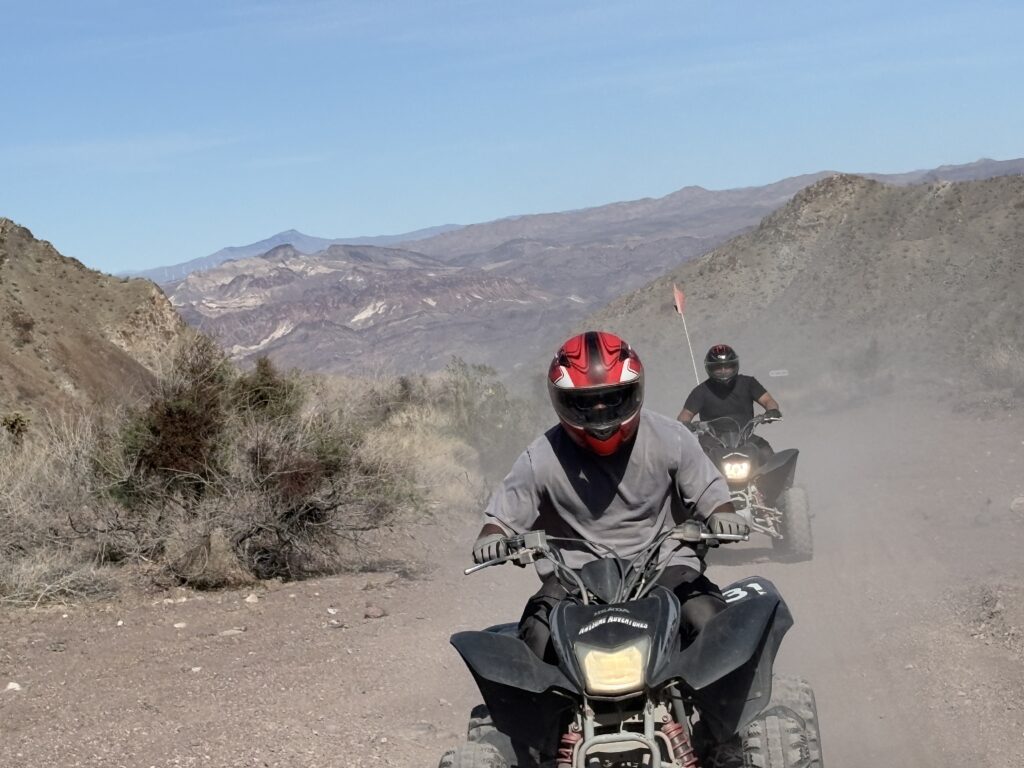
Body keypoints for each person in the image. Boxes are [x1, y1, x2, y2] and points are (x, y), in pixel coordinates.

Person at [471, 331, 748, 662]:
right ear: (562, 401)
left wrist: (723, 514)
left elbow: (710, 494)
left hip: (664, 567)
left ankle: (723, 713)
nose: (600, 412)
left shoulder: (672, 438)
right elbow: (502, 517)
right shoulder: (541, 456)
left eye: (613, 398)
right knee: (536, 636)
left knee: (710, 621)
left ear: (634, 392)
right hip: (575, 578)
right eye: (586, 403)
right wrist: (493, 537)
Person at [677, 344, 782, 464]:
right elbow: (686, 413)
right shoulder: (701, 390)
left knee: (765, 452)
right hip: (711, 441)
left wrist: (772, 411)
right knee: (696, 459)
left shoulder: (749, 383)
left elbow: (768, 400)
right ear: (709, 369)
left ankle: (773, 483)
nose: (723, 371)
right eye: (718, 367)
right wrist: (684, 424)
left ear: (735, 365)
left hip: (744, 437)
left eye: (727, 367)